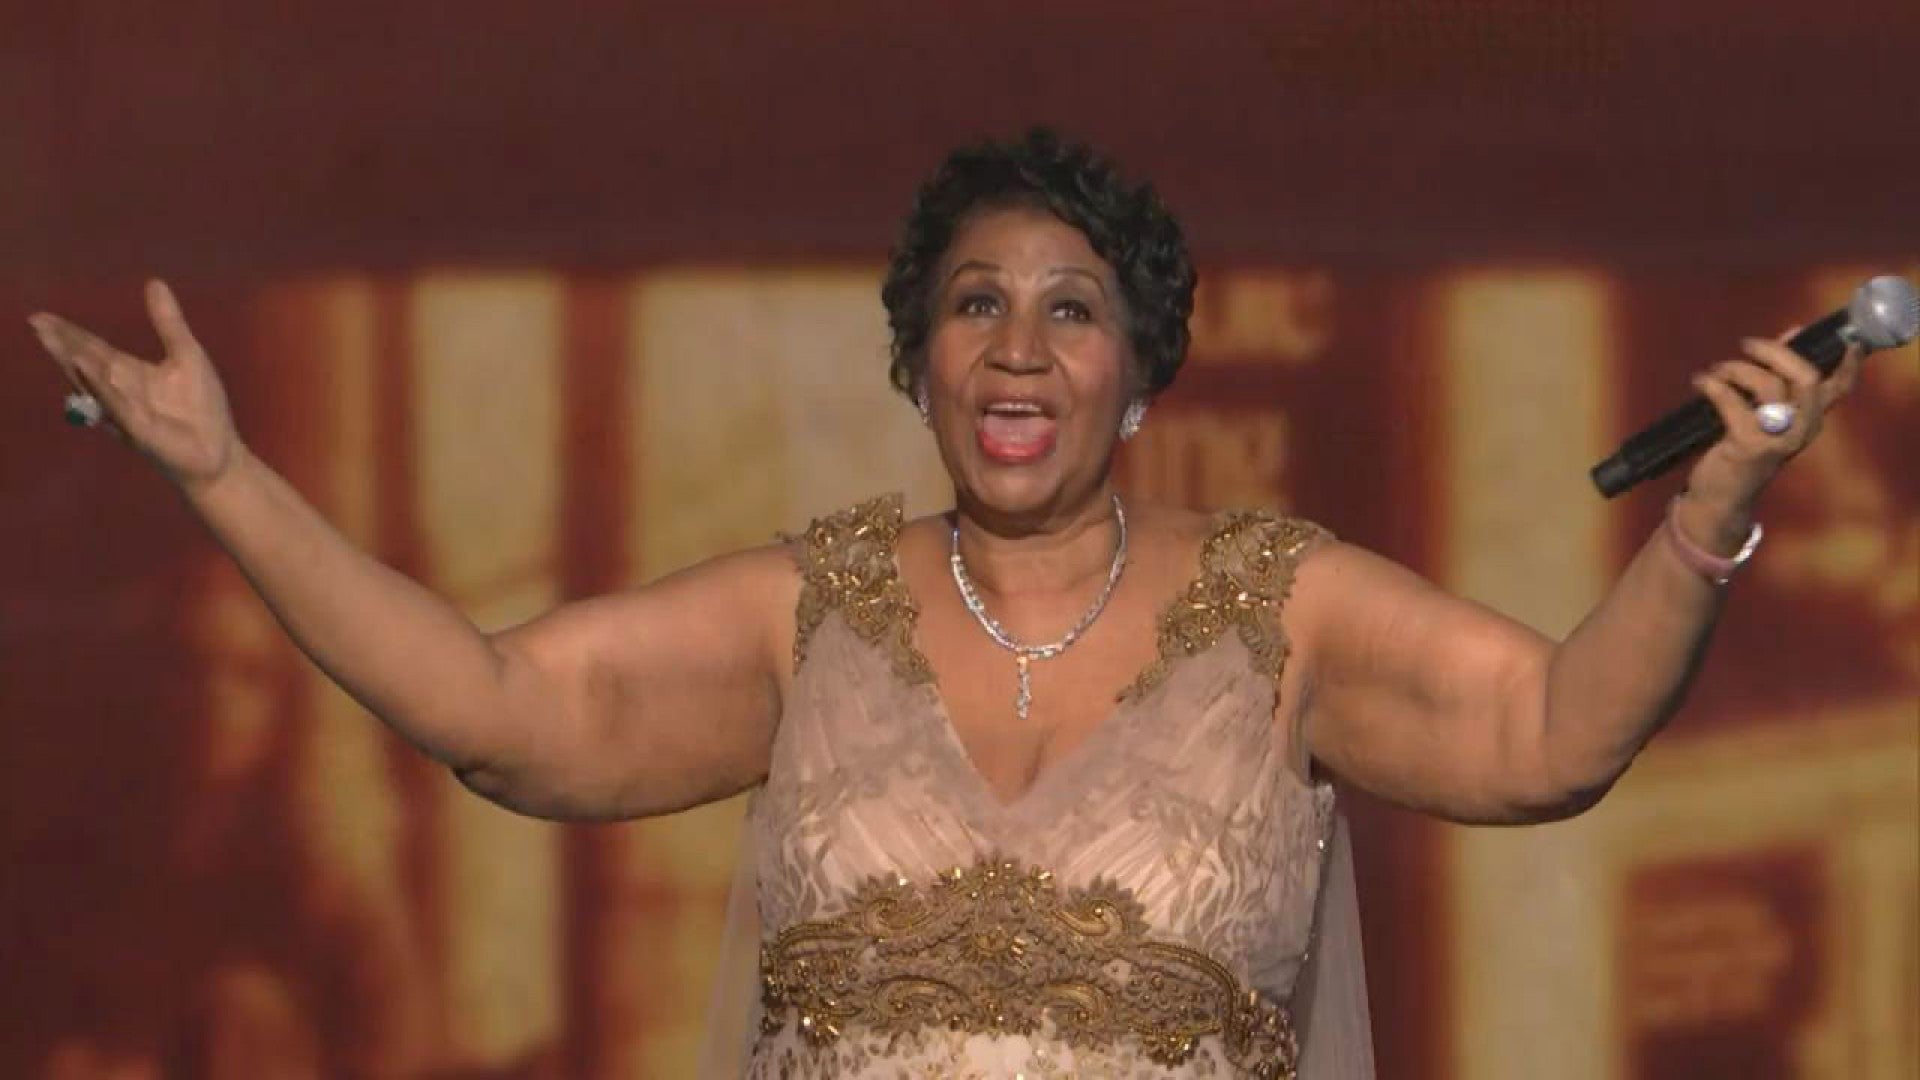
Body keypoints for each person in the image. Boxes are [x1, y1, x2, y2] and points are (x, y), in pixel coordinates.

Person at [28, 129, 1863, 1079]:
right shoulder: (802, 614)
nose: (1018, 342)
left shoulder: (1283, 610)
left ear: (1143, 377)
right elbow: (495, 709)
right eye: (975, 303)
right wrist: (222, 477)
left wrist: (1710, 513)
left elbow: (1553, 741)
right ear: (919, 364)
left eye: (1073, 308)